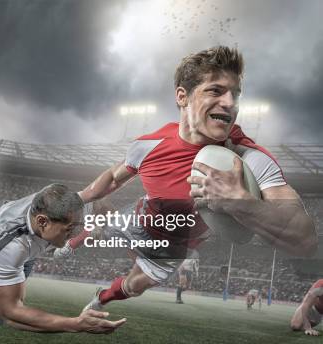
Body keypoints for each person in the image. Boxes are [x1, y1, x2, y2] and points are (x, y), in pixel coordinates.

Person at [73, 45, 317, 311]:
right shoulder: (149, 144)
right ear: (182, 96)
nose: (229, 102)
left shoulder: (247, 159)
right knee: (100, 226)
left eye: (235, 95)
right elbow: (112, 177)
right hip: (138, 218)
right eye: (215, 90)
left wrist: (241, 202)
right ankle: (79, 236)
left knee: (134, 286)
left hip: (172, 247)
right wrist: (78, 198)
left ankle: (100, 299)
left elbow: (304, 239)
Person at [0, 184, 126, 344]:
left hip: (31, 243)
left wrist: (105, 226)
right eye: (71, 228)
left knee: (1, 308)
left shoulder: (75, 206)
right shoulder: (13, 246)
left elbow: (111, 182)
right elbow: (13, 314)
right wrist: (77, 324)